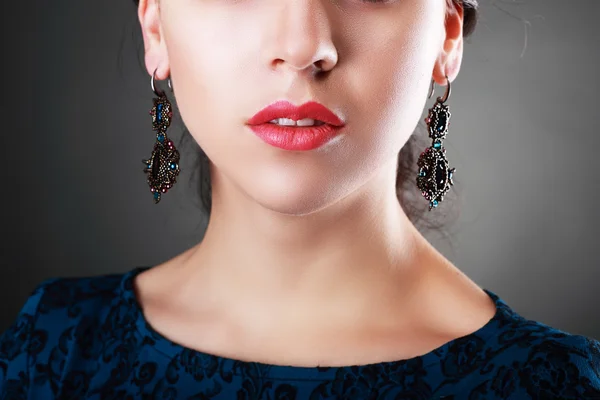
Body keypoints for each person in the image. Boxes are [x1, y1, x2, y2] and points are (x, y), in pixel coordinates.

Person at [1, 0, 599, 398]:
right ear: (156, 25)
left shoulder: (558, 386)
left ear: (445, 32)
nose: (303, 44)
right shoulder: (53, 347)